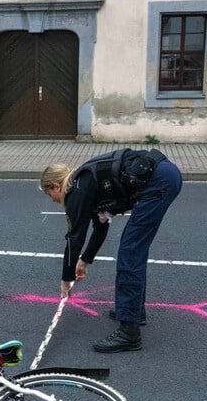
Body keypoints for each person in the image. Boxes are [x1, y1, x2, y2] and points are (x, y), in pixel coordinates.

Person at [40, 148, 182, 353]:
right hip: (163, 176)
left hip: (158, 183)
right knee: (132, 250)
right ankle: (133, 312)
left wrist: (66, 279)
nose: (52, 199)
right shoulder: (84, 184)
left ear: (55, 186)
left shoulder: (76, 192)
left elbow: (74, 239)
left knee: (130, 252)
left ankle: (129, 333)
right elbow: (100, 226)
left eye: (49, 193)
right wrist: (85, 260)